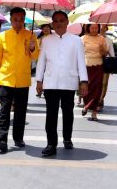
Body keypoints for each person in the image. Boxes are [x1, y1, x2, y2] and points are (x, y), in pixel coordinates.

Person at [35, 11, 88, 157]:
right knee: (51, 114)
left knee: (67, 112)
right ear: (52, 23)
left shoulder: (76, 40)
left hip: (68, 82)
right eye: (56, 21)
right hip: (51, 82)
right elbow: (41, 61)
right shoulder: (46, 40)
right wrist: (39, 80)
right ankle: (51, 143)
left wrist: (83, 81)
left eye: (62, 20)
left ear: (67, 22)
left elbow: (81, 62)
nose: (59, 23)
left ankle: (67, 138)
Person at [0, 7, 39, 153]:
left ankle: (18, 138)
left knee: (20, 111)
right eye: (15, 20)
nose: (18, 23)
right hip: (6, 79)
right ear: (11, 20)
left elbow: (35, 56)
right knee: (5, 110)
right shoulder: (3, 36)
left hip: (23, 80)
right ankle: (2, 139)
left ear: (24, 20)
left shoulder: (31, 35)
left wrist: (32, 48)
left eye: (20, 20)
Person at [81, 23, 108, 121]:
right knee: (86, 88)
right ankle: (86, 105)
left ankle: (94, 112)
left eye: (96, 28)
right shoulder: (83, 38)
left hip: (98, 65)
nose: (94, 30)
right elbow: (79, 52)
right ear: (88, 28)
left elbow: (105, 52)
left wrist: (102, 50)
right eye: (92, 28)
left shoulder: (101, 38)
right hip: (86, 65)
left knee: (97, 89)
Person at [98, 24, 115, 111]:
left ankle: (100, 100)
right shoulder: (94, 39)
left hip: (106, 62)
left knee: (104, 83)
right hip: (95, 62)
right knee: (97, 83)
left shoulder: (109, 40)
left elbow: (112, 53)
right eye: (100, 27)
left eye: (104, 27)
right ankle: (95, 100)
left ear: (106, 28)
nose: (102, 28)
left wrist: (112, 66)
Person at [35, 24, 53, 98]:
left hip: (50, 61)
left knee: (47, 77)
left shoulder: (53, 38)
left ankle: (46, 90)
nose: (46, 29)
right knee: (40, 76)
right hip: (40, 60)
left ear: (50, 29)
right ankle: (40, 90)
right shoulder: (39, 39)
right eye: (44, 28)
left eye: (47, 27)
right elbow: (36, 49)